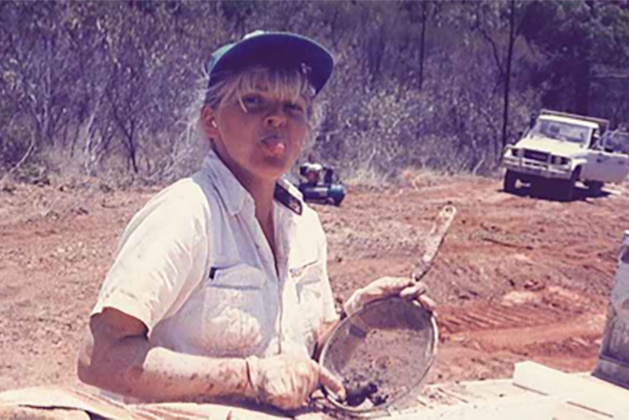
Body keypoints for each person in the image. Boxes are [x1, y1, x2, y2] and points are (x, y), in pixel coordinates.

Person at [77, 30, 432, 413]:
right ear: (211, 121)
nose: (277, 117)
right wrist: (250, 378)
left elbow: (304, 361)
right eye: (253, 101)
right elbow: (100, 359)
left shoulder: (303, 225)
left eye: (293, 107)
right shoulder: (186, 214)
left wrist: (359, 317)